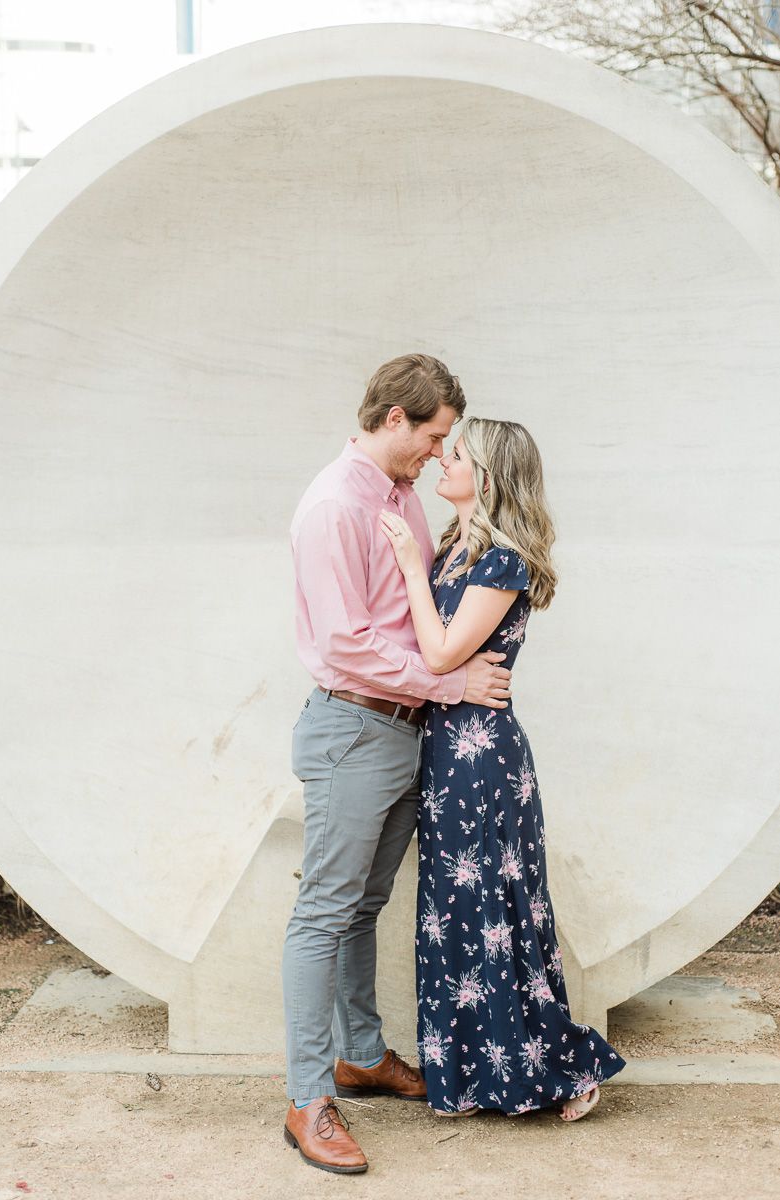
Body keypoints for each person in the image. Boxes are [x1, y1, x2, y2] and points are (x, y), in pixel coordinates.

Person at [282, 356, 513, 1174]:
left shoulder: (402, 497)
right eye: (433, 436)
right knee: (323, 913)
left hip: (405, 728)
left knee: (363, 906)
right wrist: (449, 683)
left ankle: (362, 1056)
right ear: (393, 419)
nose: (438, 452)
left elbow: (417, 615)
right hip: (353, 728)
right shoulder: (335, 506)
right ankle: (308, 1100)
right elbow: (346, 644)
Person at [379, 416, 626, 1121]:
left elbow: (439, 654)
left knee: (499, 910)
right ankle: (470, 1078)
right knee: (454, 913)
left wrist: (408, 568)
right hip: (445, 751)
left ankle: (565, 1071)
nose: (442, 461)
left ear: (486, 478)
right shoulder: (454, 550)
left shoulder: (501, 562)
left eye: (455, 454)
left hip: (482, 759)